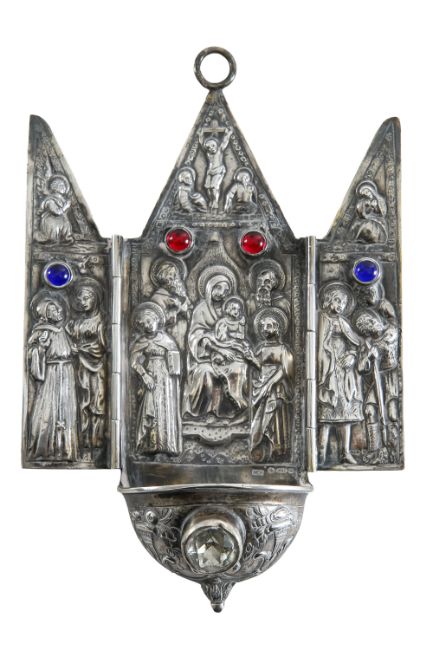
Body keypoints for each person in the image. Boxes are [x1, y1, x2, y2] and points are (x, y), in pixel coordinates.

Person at [183, 268, 249, 420]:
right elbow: (196, 336)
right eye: (218, 288)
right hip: (204, 358)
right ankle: (206, 413)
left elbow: (238, 335)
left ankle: (233, 412)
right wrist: (218, 348)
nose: (222, 293)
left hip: (229, 356)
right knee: (206, 373)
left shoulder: (231, 308)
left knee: (237, 370)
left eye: (226, 290)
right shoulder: (201, 309)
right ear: (209, 288)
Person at [27, 292, 78, 461]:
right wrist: (40, 348)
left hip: (67, 372)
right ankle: (46, 449)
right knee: (48, 406)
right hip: (52, 374)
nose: (59, 311)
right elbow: (31, 353)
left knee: (66, 408)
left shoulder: (63, 330)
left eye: (58, 309)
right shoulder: (41, 331)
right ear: (46, 315)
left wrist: (73, 350)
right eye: (53, 311)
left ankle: (65, 450)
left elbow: (68, 349)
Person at [317, 283, 363, 466]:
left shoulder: (343, 322)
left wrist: (352, 356)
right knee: (327, 412)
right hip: (327, 370)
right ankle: (321, 453)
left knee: (345, 410)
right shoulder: (321, 319)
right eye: (338, 301)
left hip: (343, 372)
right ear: (330, 300)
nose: (341, 306)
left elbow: (355, 344)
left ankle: (345, 452)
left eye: (343, 303)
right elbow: (318, 343)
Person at [130, 302, 182, 456]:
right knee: (152, 406)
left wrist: (174, 365)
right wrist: (144, 375)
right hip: (151, 376)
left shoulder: (167, 339)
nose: (147, 325)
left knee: (165, 407)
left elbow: (175, 359)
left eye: (149, 321)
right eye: (143, 323)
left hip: (166, 379)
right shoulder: (141, 342)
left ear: (157, 320)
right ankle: (150, 445)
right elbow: (133, 361)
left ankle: (167, 445)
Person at [66, 279, 106, 452]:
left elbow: (104, 347)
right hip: (80, 368)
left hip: (97, 368)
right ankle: (83, 440)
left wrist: (81, 349)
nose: (83, 302)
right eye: (80, 299)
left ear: (95, 298)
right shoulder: (75, 322)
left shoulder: (102, 321)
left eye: (86, 298)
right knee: (82, 402)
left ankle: (97, 439)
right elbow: (69, 341)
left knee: (97, 402)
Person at [251, 308, 294, 462]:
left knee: (274, 413)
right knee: (259, 416)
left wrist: (270, 383)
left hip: (277, 387)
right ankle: (261, 445)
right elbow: (256, 367)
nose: (265, 329)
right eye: (263, 326)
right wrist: (251, 360)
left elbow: (285, 370)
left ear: (277, 328)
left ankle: (278, 447)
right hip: (261, 386)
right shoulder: (261, 349)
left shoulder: (283, 349)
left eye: (269, 326)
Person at [354, 309, 399, 454]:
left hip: (390, 378)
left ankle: (393, 449)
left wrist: (377, 349)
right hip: (376, 381)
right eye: (365, 328)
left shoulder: (391, 331)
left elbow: (390, 345)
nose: (369, 327)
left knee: (392, 414)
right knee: (369, 411)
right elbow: (360, 368)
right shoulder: (367, 344)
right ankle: (375, 450)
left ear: (375, 319)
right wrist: (368, 354)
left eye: (370, 322)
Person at [148, 258, 192, 348]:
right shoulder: (157, 297)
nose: (173, 278)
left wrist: (184, 305)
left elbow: (190, 309)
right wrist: (175, 309)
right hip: (167, 335)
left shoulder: (178, 293)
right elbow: (158, 321)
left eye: (174, 275)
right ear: (162, 276)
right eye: (169, 274)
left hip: (184, 332)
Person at [199, 125, 233, 210]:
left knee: (214, 187)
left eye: (213, 145)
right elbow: (202, 144)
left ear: (217, 145)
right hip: (210, 171)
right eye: (209, 147)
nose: (211, 148)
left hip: (218, 170)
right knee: (208, 187)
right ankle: (211, 200)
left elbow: (225, 141)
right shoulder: (208, 153)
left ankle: (215, 202)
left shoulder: (220, 150)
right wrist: (200, 135)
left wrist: (228, 134)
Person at [38, 174, 74, 243]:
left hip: (61, 219)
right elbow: (57, 212)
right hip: (51, 220)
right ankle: (52, 239)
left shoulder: (62, 199)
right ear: (55, 187)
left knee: (66, 222)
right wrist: (65, 206)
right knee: (55, 224)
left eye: (64, 186)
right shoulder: (50, 200)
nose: (65, 188)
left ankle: (66, 237)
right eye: (61, 185)